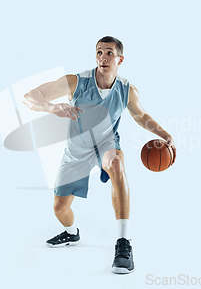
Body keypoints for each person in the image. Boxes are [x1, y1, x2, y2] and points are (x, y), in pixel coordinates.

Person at [22, 36, 176, 274]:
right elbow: (29, 97)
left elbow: (141, 116)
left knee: (116, 162)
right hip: (77, 150)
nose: (103, 58)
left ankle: (123, 242)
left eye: (109, 53)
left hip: (106, 144)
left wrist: (165, 134)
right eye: (99, 52)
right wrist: (53, 108)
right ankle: (72, 233)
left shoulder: (127, 90)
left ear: (120, 59)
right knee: (59, 208)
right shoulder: (76, 82)